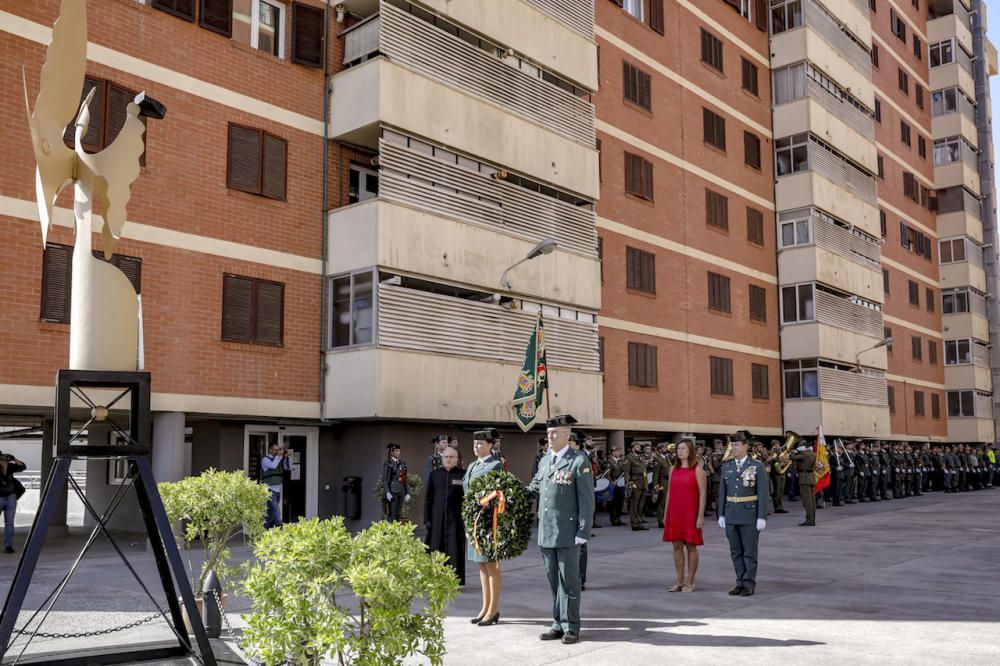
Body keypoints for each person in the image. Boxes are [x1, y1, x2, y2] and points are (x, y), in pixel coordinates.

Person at [527, 414, 594, 644]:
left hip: (567, 532)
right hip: (546, 531)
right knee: (554, 581)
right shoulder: (545, 461)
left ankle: (572, 625)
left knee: (570, 581)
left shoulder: (578, 461)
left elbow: (586, 500)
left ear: (566, 434)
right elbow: (534, 486)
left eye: (555, 433)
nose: (550, 436)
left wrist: (583, 531)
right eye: (548, 433)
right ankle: (558, 622)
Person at [717, 431, 767, 596]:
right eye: (733, 445)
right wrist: (721, 514)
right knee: (735, 551)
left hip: (749, 515)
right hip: (731, 513)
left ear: (746, 446)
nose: (734, 448)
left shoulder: (756, 466)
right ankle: (739, 581)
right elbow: (722, 492)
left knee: (749, 551)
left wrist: (761, 516)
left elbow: (762, 493)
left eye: (737, 445)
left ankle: (749, 582)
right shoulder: (727, 466)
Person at [463, 429, 504, 626]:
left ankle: (493, 610)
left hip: (488, 520)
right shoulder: (472, 465)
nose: (476, 446)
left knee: (491, 565)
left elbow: (496, 492)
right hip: (474, 521)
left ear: (490, 445)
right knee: (481, 564)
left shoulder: (495, 465)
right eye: (474, 443)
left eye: (480, 443)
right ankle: (485, 607)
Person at [661, 439, 706, 593]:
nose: (680, 451)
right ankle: (679, 581)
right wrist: (666, 513)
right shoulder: (673, 468)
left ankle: (690, 582)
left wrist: (700, 516)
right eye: (678, 448)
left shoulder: (697, 469)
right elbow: (669, 492)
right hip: (675, 512)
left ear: (690, 451)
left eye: (683, 448)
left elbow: (702, 494)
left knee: (691, 546)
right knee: (676, 546)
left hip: (690, 513)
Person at [424, 445, 466, 586]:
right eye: (446, 457)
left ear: (456, 459)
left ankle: (455, 580)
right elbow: (428, 498)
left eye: (451, 457)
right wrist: (427, 518)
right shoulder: (434, 474)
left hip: (456, 520)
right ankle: (435, 579)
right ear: (442, 458)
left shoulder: (463, 475)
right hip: (437, 519)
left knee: (455, 549)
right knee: (436, 548)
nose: (448, 459)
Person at [0, 451, 27, 553]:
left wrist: (14, 459)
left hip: (11, 498)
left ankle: (8, 546)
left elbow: (23, 467)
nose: (3, 460)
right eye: (1, 458)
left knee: (9, 523)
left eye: (4, 458)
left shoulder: (11, 466)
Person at [261, 441, 290, 529]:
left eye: (278, 450)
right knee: (277, 512)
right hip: (269, 489)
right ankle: (281, 531)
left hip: (277, 490)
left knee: (270, 513)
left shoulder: (278, 460)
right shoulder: (265, 460)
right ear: (270, 450)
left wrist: (286, 458)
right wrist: (278, 456)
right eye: (275, 450)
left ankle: (262, 529)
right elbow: (273, 466)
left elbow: (288, 467)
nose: (277, 452)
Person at [790, 439, 817, 526]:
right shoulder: (813, 454)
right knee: (812, 500)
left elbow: (791, 457)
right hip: (811, 477)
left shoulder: (804, 454)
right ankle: (812, 519)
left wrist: (794, 451)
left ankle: (809, 520)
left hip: (804, 478)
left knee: (807, 500)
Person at [382, 444, 409, 522]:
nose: (399, 452)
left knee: (398, 514)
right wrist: (387, 492)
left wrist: (407, 492)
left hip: (401, 491)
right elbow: (384, 479)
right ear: (392, 452)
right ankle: (391, 533)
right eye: (396, 451)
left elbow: (404, 479)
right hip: (392, 491)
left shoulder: (403, 463)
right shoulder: (388, 463)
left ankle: (397, 532)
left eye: (399, 451)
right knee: (392, 514)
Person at [625, 441, 647, 531]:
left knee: (641, 504)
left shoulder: (641, 457)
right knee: (634, 504)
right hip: (635, 482)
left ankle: (639, 522)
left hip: (643, 482)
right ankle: (634, 523)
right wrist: (628, 484)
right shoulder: (629, 457)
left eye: (639, 447)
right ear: (633, 448)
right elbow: (626, 472)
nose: (639, 448)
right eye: (637, 447)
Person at [652, 444, 670, 528]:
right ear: (659, 449)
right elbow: (655, 473)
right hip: (662, 482)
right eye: (663, 448)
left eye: (665, 447)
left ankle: (666, 519)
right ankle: (661, 520)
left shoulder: (666, 457)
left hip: (669, 481)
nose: (665, 449)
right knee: (662, 502)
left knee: (667, 502)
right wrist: (655, 485)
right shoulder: (657, 459)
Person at [607, 446, 626, 526]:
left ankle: (618, 517)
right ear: (613, 452)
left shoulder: (620, 461)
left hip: (620, 483)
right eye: (617, 451)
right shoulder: (609, 461)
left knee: (620, 502)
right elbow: (607, 474)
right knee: (613, 502)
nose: (619, 453)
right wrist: (612, 482)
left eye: (619, 452)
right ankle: (613, 518)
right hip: (614, 483)